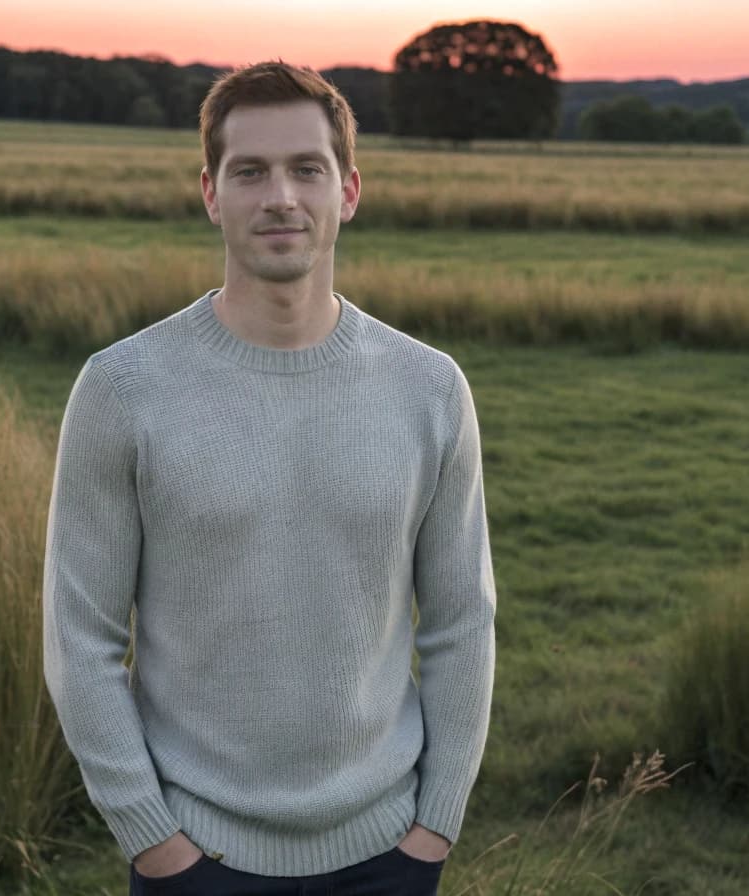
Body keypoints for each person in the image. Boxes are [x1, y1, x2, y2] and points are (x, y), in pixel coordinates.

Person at [43, 61, 496, 896]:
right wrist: (154, 843)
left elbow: (463, 619)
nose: (279, 196)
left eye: (306, 169)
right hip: (195, 859)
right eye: (249, 171)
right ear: (211, 193)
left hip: (390, 853)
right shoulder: (122, 390)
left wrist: (437, 825)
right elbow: (81, 639)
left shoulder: (429, 388)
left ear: (348, 190)